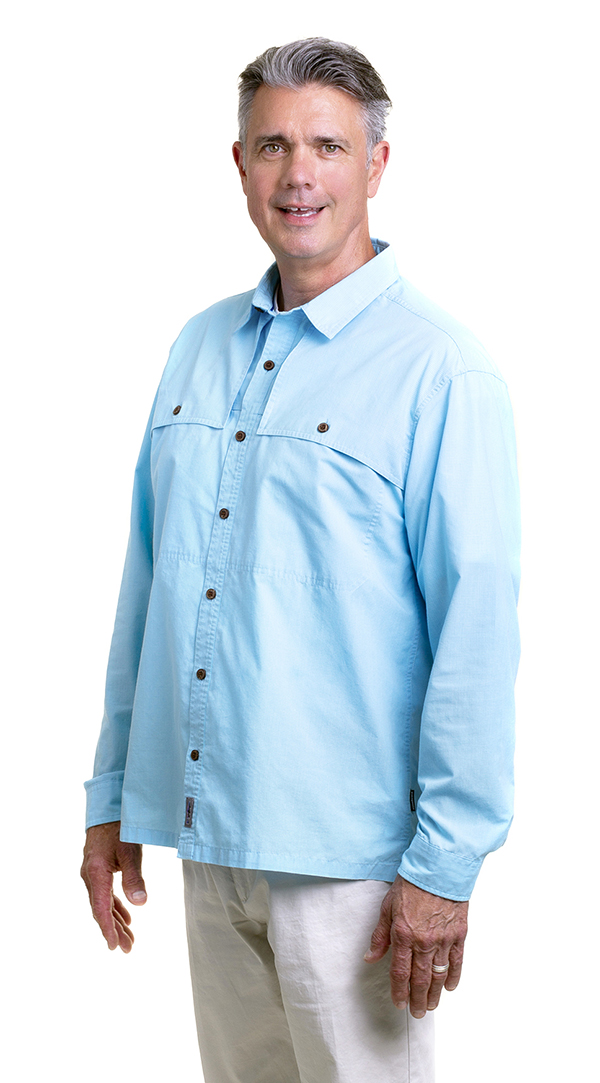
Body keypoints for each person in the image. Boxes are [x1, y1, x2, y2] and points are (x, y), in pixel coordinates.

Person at [81, 37, 520, 1083]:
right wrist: (112, 794)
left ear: (377, 163)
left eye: (328, 145)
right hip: (207, 836)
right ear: (240, 165)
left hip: (355, 871)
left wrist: (445, 864)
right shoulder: (196, 348)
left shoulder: (440, 370)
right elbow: (148, 584)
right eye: (273, 145)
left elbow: (477, 628)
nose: (298, 174)